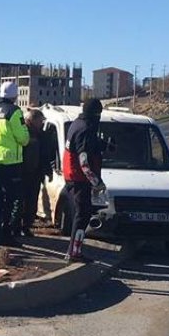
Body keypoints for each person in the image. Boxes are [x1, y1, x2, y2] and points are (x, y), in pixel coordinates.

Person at [0, 81, 31, 247]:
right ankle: (6, 234)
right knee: (11, 200)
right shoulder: (14, 111)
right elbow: (23, 138)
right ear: (15, 95)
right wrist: (26, 132)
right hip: (11, 162)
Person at [62, 98, 105, 261]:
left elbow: (85, 146)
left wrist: (102, 145)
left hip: (71, 176)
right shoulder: (86, 129)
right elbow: (84, 161)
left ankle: (74, 250)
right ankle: (74, 252)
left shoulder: (76, 124)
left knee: (80, 214)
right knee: (82, 215)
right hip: (79, 179)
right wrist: (96, 182)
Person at [18, 108, 50, 238]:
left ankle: (26, 226)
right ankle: (17, 226)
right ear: (32, 120)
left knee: (32, 202)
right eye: (40, 121)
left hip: (35, 173)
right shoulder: (24, 132)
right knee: (21, 202)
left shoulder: (40, 134)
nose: (42, 123)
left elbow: (44, 154)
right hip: (23, 172)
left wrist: (45, 169)